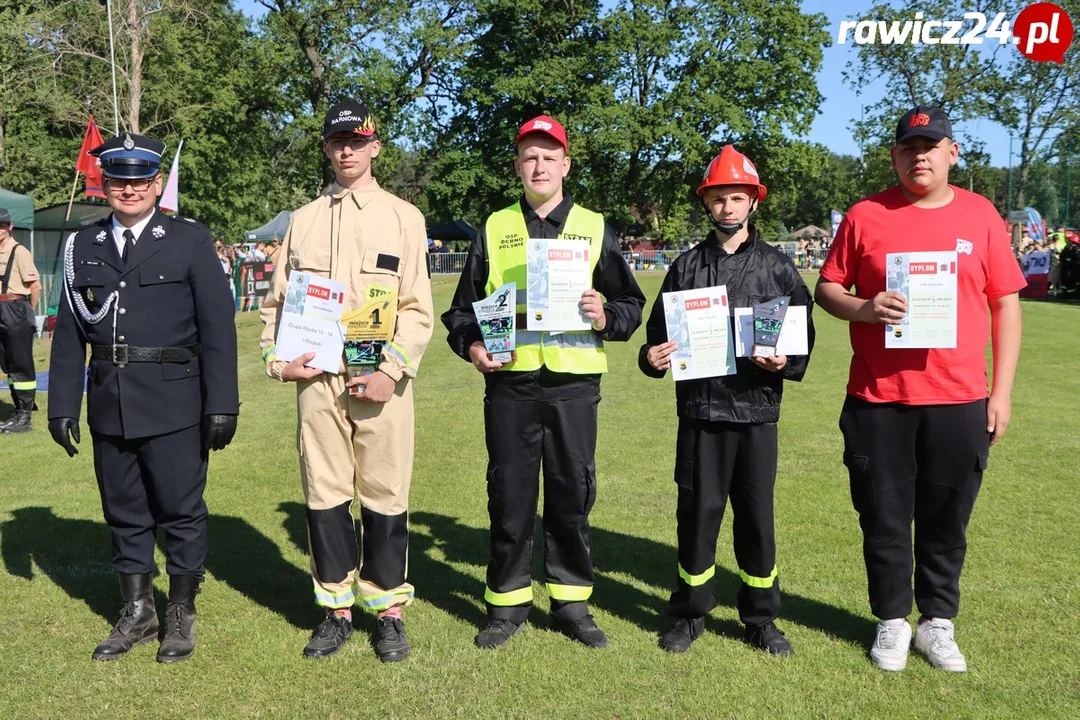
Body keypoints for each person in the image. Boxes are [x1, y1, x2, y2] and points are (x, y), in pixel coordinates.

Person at [815, 105, 1024, 673]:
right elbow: (827, 288)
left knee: (947, 518)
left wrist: (999, 394)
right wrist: (864, 306)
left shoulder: (982, 216)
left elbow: (1006, 305)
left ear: (953, 153)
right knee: (882, 518)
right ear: (895, 156)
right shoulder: (865, 214)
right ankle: (890, 621)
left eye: (931, 146)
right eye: (909, 147)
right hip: (879, 400)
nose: (920, 156)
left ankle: (937, 623)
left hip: (959, 399)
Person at [441, 114, 645, 650]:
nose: (539, 165)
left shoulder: (596, 226)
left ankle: (572, 602)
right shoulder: (494, 226)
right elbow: (463, 312)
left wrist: (606, 316)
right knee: (509, 494)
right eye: (529, 156)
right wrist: (474, 346)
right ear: (517, 165)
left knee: (572, 494)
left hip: (574, 382)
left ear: (565, 164)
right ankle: (507, 603)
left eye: (549, 156)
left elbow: (631, 305)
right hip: (510, 383)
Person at [47, 132, 239, 663]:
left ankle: (179, 612)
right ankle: (138, 611)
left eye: (138, 181)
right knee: (123, 510)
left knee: (179, 510)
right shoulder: (82, 245)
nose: (128, 190)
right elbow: (69, 334)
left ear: (156, 184)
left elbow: (218, 329)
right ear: (104, 184)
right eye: (117, 181)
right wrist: (63, 404)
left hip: (175, 400)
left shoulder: (188, 240)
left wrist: (223, 403)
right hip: (110, 398)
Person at [259, 100, 433, 663]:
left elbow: (417, 309)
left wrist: (391, 370)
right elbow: (277, 307)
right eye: (337, 141)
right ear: (328, 149)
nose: (347, 150)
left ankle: (387, 612)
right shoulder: (301, 220)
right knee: (325, 495)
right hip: (319, 382)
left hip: (380, 382)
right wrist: (278, 363)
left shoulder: (405, 218)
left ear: (375, 147)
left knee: (385, 496)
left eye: (357, 141)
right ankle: (335, 610)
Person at [639, 145, 815, 656]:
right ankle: (691, 613)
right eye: (718, 199)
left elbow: (802, 337)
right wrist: (653, 358)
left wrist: (786, 361)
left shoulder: (779, 268)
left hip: (757, 412)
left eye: (737, 197)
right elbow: (654, 339)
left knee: (757, 517)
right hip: (700, 413)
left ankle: (762, 618)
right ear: (707, 204)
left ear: (753, 202)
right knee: (697, 514)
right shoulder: (686, 267)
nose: (728, 208)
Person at [0, 207, 42, 434]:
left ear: (10, 227)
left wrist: (29, 312)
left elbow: (35, 286)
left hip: (16, 307)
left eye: (2, 225)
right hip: (1, 308)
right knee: (7, 362)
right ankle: (19, 408)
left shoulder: (20, 251)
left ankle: (24, 416)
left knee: (20, 363)